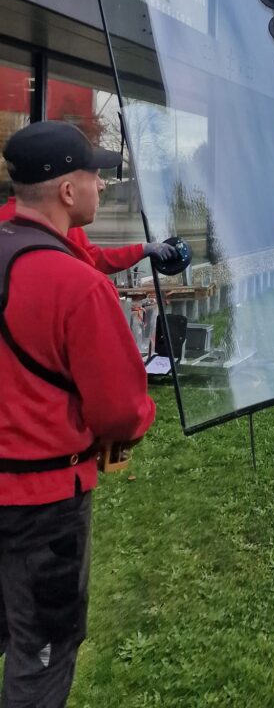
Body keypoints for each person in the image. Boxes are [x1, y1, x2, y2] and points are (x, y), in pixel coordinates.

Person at [0, 121, 156, 707]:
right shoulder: (77, 286)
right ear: (69, 191)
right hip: (42, 507)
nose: (103, 187)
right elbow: (121, 412)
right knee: (40, 650)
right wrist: (144, 417)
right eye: (96, 175)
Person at [0, 194, 176, 274]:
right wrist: (143, 249)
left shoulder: (4, 218)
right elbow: (94, 261)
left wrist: (142, 249)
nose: (101, 185)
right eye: (92, 175)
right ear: (67, 188)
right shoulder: (59, 222)